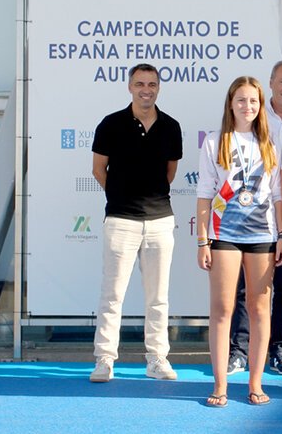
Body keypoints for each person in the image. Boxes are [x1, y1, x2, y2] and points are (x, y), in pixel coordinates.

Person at [196, 77, 282, 407]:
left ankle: (256, 383)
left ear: (261, 106)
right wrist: (202, 241)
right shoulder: (215, 141)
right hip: (223, 235)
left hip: (262, 234)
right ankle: (220, 384)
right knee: (222, 310)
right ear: (230, 103)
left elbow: (277, 195)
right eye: (241, 100)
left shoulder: (270, 142)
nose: (247, 106)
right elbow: (205, 194)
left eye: (254, 101)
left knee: (260, 309)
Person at [89, 63, 182, 383]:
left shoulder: (171, 126)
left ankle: (157, 359)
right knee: (112, 295)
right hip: (120, 220)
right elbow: (99, 170)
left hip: (160, 221)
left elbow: (169, 173)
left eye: (152, 84)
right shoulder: (110, 125)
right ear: (130, 87)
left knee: (158, 297)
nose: (146, 89)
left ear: (159, 87)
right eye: (140, 84)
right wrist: (120, 197)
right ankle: (104, 359)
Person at [226, 61, 282, 376]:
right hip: (249, 221)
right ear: (272, 83)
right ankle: (239, 351)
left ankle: (278, 349)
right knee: (244, 289)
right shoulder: (254, 118)